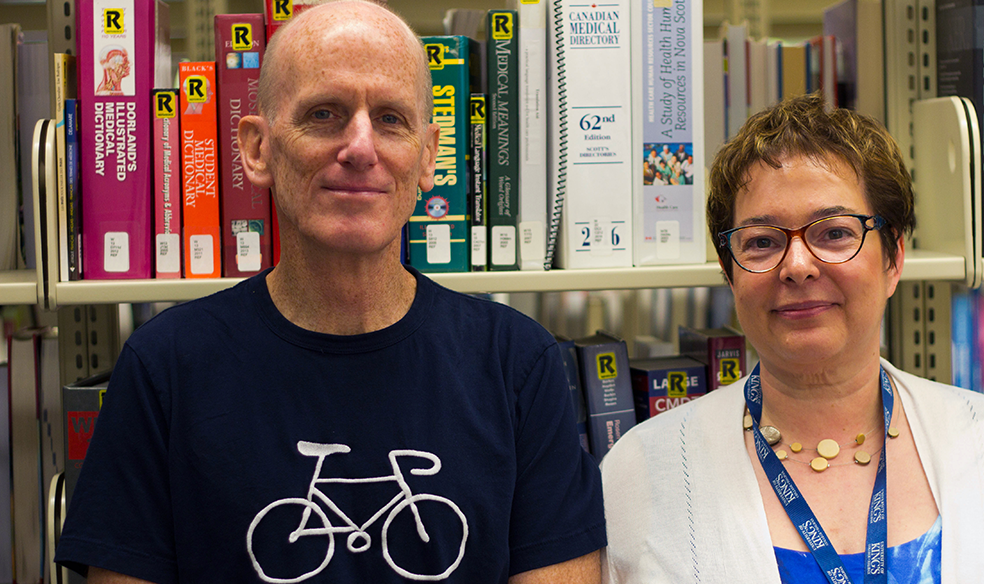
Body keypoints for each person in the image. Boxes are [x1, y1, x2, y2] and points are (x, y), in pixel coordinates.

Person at [55, 2, 605, 582]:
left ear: (427, 156)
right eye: (324, 113)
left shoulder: (518, 363)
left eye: (391, 119)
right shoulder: (164, 366)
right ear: (258, 149)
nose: (361, 148)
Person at [600, 93, 984, 583]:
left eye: (835, 233)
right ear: (729, 271)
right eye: (760, 242)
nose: (798, 266)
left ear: (894, 258)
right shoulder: (645, 471)